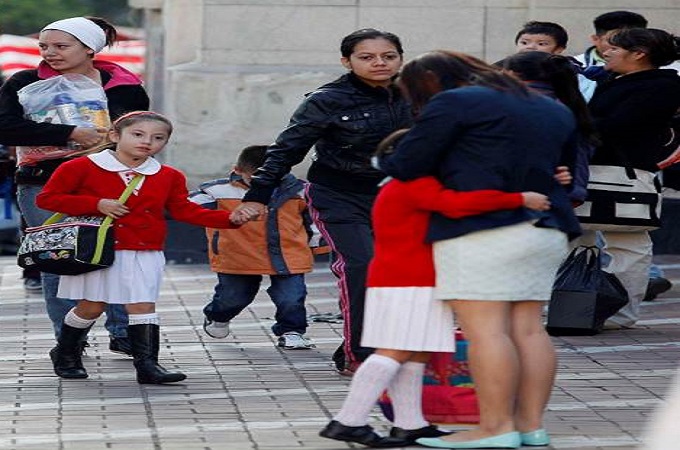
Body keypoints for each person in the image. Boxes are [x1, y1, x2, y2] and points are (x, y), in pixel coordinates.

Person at [378, 51, 581, 449]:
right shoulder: (550, 107)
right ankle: (530, 426)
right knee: (529, 328)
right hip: (546, 228)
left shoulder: (455, 101)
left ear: (432, 79)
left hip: (483, 229)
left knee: (486, 331)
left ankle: (495, 427)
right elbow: (562, 170)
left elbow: (405, 163)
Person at [319, 128, 556, 448]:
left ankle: (410, 424)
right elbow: (456, 205)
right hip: (408, 280)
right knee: (395, 350)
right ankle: (348, 420)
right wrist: (519, 198)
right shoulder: (415, 183)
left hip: (413, 279)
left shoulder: (402, 182)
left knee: (415, 353)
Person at [232, 28, 412, 375]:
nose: (379, 63)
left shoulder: (416, 93)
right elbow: (286, 150)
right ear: (347, 61)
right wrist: (256, 197)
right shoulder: (327, 100)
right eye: (367, 56)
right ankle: (360, 356)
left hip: (399, 197)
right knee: (363, 266)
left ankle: (372, 345)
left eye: (388, 56)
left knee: (400, 274)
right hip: (340, 196)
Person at [35, 111, 242, 383]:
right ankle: (65, 353)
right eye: (138, 134)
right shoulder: (80, 167)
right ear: (115, 135)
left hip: (145, 250)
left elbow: (184, 210)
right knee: (91, 307)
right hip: (98, 249)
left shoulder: (168, 175)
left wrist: (230, 218)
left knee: (143, 305)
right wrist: (97, 204)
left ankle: (147, 367)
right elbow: (47, 199)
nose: (147, 142)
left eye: (158, 138)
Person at [0, 16, 150, 355]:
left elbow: (140, 131)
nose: (49, 53)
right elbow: (5, 127)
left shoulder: (124, 86)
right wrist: (69, 134)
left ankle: (122, 332)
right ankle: (69, 340)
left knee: (117, 256)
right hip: (42, 183)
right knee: (55, 259)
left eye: (60, 46)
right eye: (44, 46)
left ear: (88, 49)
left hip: (110, 182)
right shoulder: (24, 82)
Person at [577, 28, 680, 329]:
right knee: (577, 242)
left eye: (613, 48)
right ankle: (572, 307)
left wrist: (574, 120)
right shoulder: (612, 80)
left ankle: (620, 315)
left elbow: (619, 126)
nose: (605, 52)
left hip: (627, 174)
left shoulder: (662, 86)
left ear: (639, 54)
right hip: (594, 171)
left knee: (628, 245)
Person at [189, 144, 317, 350]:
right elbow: (188, 208)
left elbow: (314, 220)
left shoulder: (300, 191)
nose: (265, 183)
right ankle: (217, 315)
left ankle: (292, 330)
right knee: (234, 297)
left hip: (289, 253)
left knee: (291, 297)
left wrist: (316, 246)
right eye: (256, 177)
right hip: (238, 255)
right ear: (237, 171)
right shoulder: (216, 191)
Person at [502, 51, 600, 204]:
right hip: (562, 195)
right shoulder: (569, 104)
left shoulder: (514, 105)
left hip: (523, 196)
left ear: (511, 74)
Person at [513, 21, 598, 101]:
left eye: (541, 44)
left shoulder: (570, 72)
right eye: (524, 43)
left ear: (558, 49)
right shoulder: (504, 69)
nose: (530, 47)